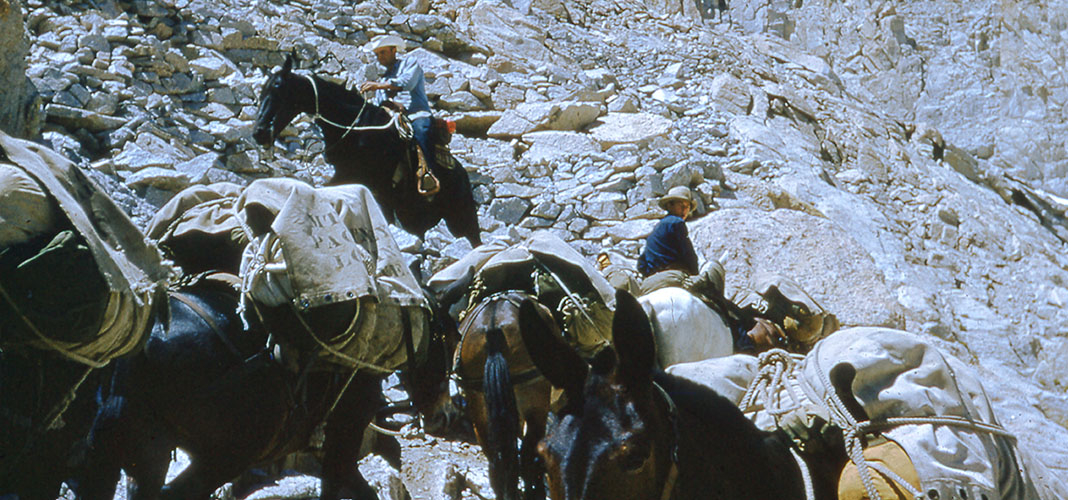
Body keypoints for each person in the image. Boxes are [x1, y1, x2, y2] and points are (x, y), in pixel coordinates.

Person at [359, 34, 442, 195]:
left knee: (421, 131)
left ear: (393, 50)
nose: (379, 57)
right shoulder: (384, 77)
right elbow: (380, 102)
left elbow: (407, 83)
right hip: (392, 118)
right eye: (377, 54)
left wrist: (378, 86)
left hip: (416, 114)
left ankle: (428, 173)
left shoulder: (410, 64)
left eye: (383, 52)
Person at [637, 186, 699, 277]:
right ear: (670, 205)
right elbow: (688, 254)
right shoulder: (677, 222)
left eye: (687, 207)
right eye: (681, 205)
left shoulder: (658, 227)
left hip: (652, 277)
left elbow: (642, 262)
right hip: (673, 274)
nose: (684, 210)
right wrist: (695, 275)